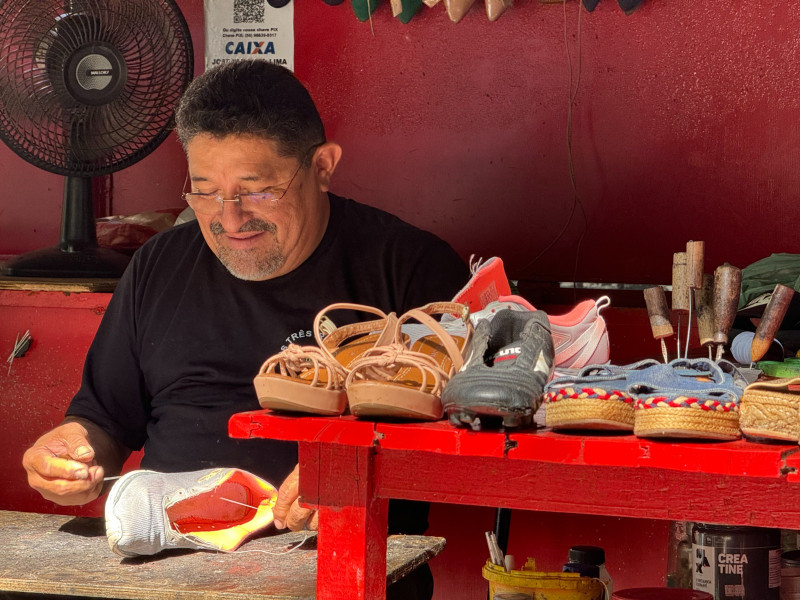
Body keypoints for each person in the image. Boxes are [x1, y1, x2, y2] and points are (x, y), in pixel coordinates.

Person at [21, 60, 468, 599]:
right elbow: (104, 422)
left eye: (256, 191)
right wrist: (72, 452)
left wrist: (353, 473)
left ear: (322, 167)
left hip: (340, 571)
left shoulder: (409, 268)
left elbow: (458, 441)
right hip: (166, 574)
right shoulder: (159, 265)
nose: (229, 219)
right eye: (205, 190)